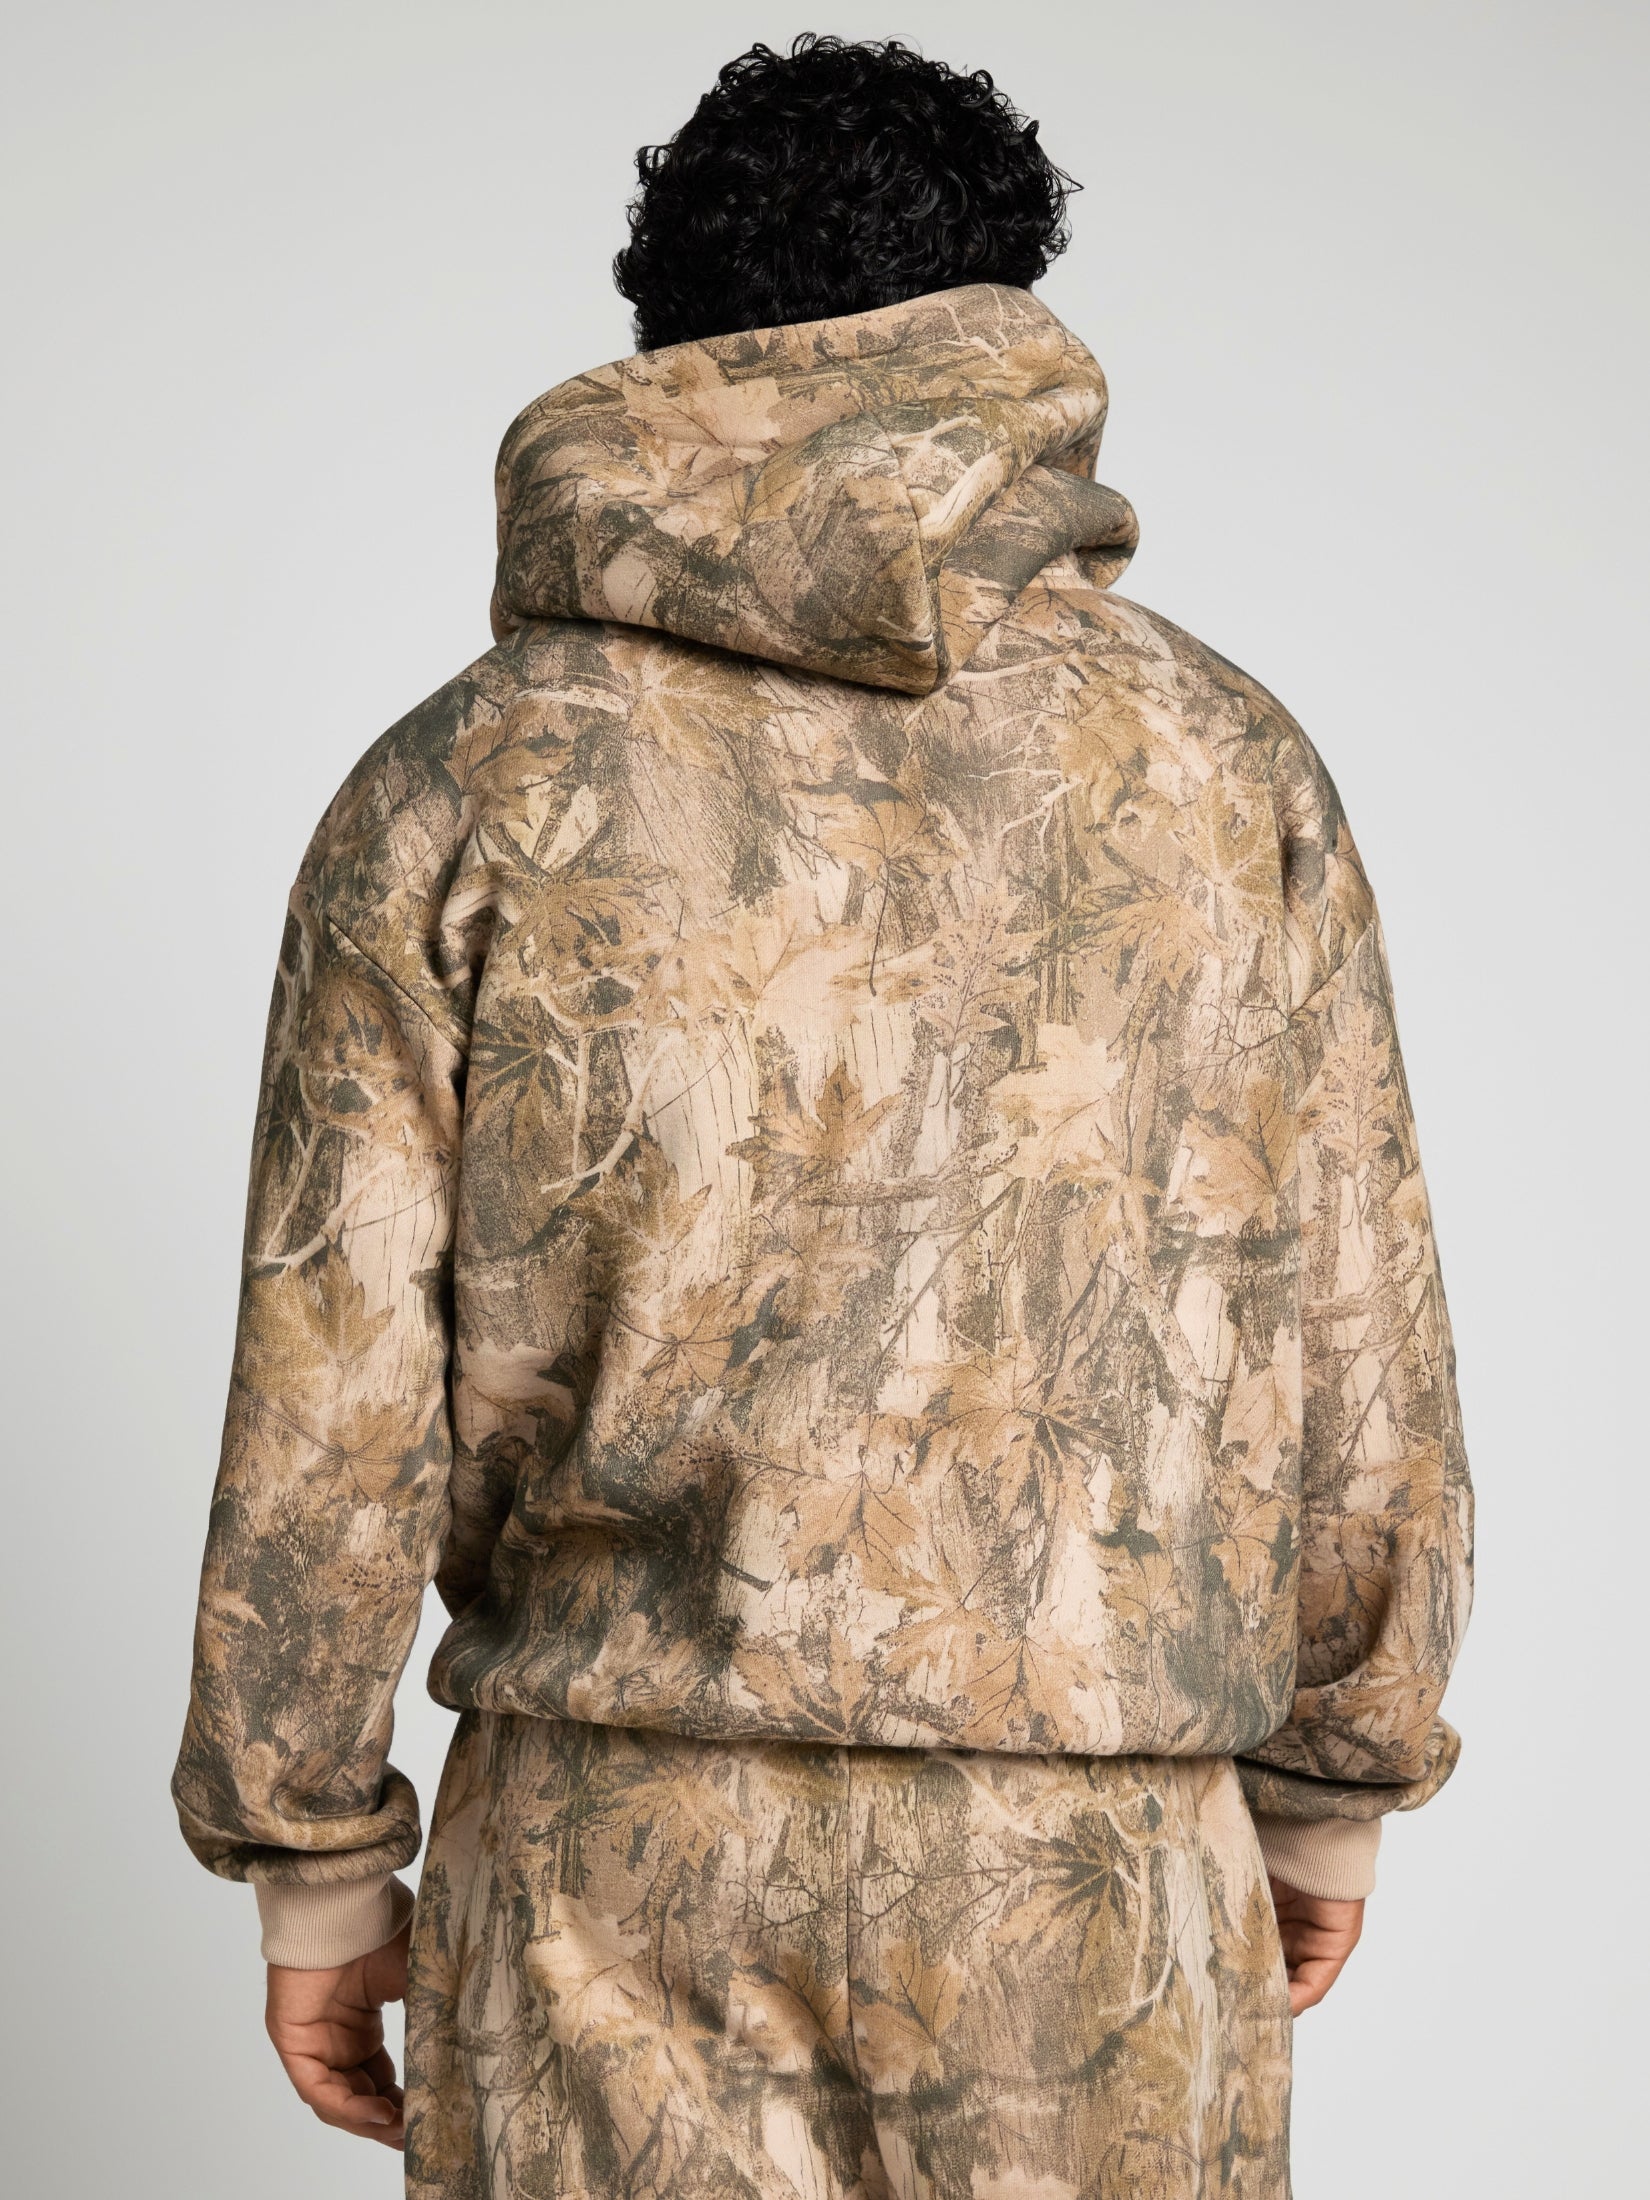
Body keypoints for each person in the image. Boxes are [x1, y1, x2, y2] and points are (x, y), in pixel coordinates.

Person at [173, 33, 1473, 2197]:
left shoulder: (468, 779)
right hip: (1086, 1869)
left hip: (605, 1867)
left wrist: (312, 1859)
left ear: (666, 339)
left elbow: (334, 1378)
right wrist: (1336, 1775)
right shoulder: (1223, 767)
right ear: (1002, 327)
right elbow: (1347, 1310)